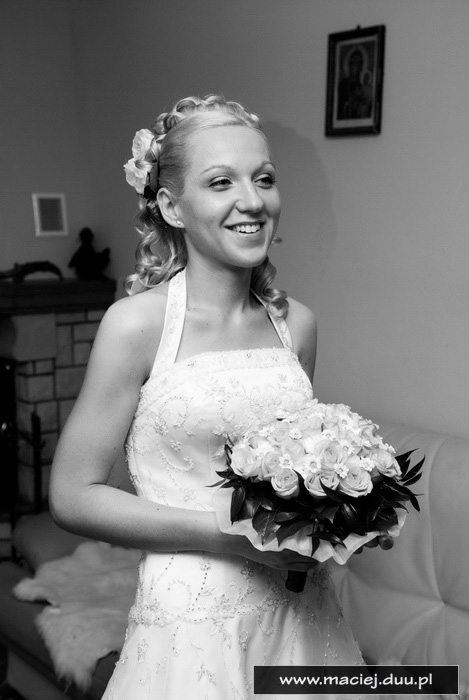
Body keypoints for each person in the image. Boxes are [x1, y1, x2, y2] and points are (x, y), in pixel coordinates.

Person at [50, 94, 380, 699]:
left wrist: (344, 518)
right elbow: (72, 496)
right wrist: (235, 535)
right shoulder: (136, 325)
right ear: (171, 206)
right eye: (221, 182)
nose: (251, 201)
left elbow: (294, 467)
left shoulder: (298, 325)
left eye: (264, 178)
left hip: (301, 619)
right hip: (190, 628)